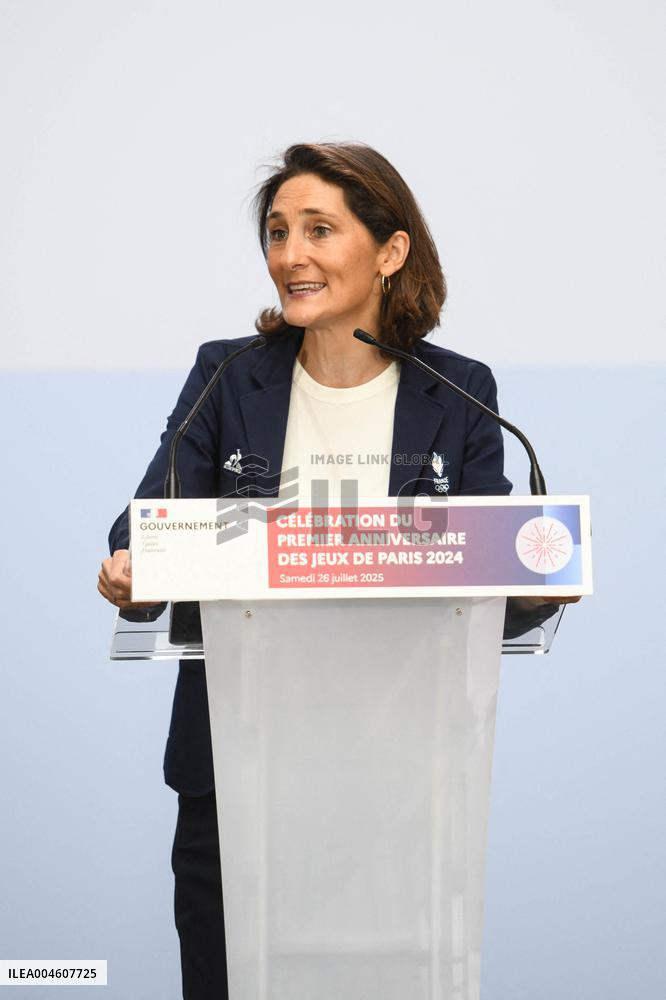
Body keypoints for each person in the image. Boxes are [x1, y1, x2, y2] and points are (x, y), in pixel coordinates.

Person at [97, 142, 577, 999]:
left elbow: (486, 588)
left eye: (320, 229)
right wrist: (137, 569)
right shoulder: (229, 375)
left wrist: (538, 590)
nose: (291, 255)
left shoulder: (457, 390)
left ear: (390, 252)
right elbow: (147, 526)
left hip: (399, 782)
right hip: (235, 772)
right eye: (278, 232)